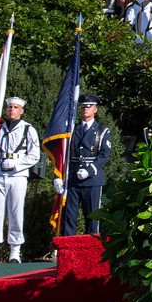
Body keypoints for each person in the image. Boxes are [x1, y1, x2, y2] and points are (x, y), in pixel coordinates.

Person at [0, 96, 39, 263]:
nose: (11, 110)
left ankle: (15, 250)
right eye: (9, 107)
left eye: (15, 107)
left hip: (18, 175)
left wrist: (17, 164)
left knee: (16, 212)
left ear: (21, 111)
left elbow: (34, 155)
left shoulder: (28, 129)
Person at [62, 95, 111, 237]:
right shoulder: (72, 129)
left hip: (92, 179)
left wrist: (89, 171)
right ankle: (68, 250)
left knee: (92, 218)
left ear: (95, 109)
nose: (85, 109)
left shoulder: (102, 131)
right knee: (69, 217)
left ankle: (91, 253)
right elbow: (64, 154)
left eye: (89, 106)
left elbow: (103, 155)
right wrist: (58, 176)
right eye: (83, 106)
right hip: (73, 178)